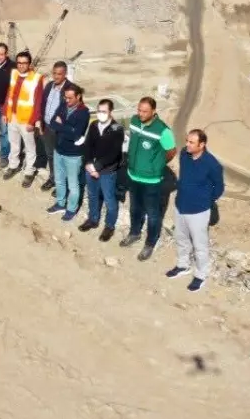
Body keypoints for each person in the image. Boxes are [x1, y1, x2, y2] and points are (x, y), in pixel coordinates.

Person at [168, 129, 225, 292]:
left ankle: (201, 275)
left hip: (199, 211)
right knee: (181, 238)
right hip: (180, 206)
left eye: (191, 142)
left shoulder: (212, 164)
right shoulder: (185, 155)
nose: (187, 144)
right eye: (187, 141)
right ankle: (182, 265)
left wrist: (204, 200)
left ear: (202, 144)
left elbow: (218, 188)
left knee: (200, 245)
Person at [123, 96, 177, 262]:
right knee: (135, 209)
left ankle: (150, 243)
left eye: (145, 111)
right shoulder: (133, 121)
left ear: (154, 111)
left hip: (152, 181)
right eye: (139, 110)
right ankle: (134, 233)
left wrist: (158, 165)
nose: (140, 114)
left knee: (153, 214)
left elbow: (171, 151)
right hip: (133, 175)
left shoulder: (162, 130)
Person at [80, 98, 125, 241]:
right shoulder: (93, 125)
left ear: (110, 112)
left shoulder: (117, 129)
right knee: (93, 195)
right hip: (90, 167)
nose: (101, 114)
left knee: (109, 199)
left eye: (104, 111)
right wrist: (87, 163)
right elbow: (87, 145)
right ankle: (93, 219)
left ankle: (109, 226)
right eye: (99, 111)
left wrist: (97, 167)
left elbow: (114, 153)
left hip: (107, 171)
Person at [45, 84, 90, 222]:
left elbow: (76, 135)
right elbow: (52, 122)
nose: (67, 100)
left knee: (73, 184)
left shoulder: (83, 112)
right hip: (59, 150)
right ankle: (60, 203)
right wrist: (67, 128)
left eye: (70, 98)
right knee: (59, 180)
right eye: (65, 97)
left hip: (73, 155)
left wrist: (61, 125)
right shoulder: (64, 105)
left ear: (78, 97)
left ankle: (71, 209)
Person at [2, 50, 45, 187]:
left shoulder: (37, 78)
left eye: (24, 63)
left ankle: (29, 172)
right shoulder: (14, 74)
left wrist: (33, 121)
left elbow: (38, 102)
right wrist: (4, 112)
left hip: (26, 120)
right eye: (19, 63)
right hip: (12, 116)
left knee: (30, 147)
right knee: (14, 144)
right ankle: (13, 165)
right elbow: (9, 94)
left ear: (29, 64)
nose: (21, 65)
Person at [38, 61, 70, 191]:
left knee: (62, 156)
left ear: (65, 74)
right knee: (50, 155)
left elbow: (74, 109)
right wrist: (40, 122)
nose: (56, 77)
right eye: (54, 73)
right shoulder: (49, 85)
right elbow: (42, 104)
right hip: (47, 127)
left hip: (60, 130)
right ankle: (53, 178)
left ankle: (62, 183)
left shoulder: (70, 89)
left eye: (59, 74)